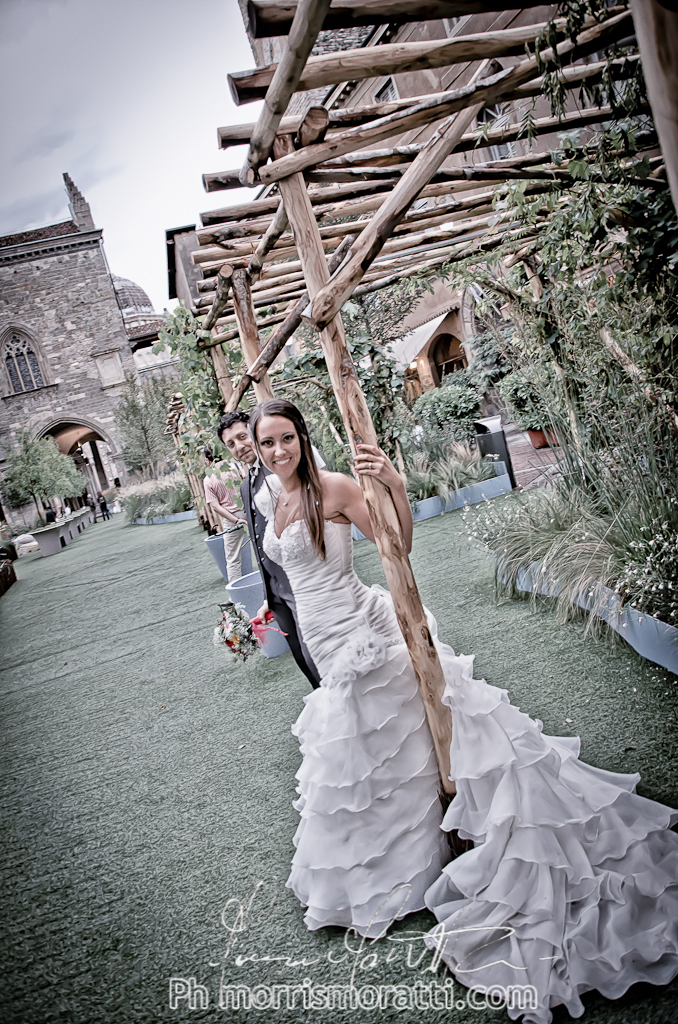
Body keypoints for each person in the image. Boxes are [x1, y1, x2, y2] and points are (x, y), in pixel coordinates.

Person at [248, 397, 678, 1024]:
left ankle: (457, 839)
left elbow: (396, 545)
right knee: (371, 752)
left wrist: (395, 484)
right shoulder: (270, 496)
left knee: (401, 732)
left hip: (361, 631)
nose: (278, 451)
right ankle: (401, 858)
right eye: (267, 443)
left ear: (302, 438)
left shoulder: (332, 487)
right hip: (325, 640)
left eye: (287, 438)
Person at [217, 409, 320, 689]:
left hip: (304, 582)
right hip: (276, 591)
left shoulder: (281, 469)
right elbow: (261, 543)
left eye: (242, 437)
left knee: (318, 654)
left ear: (255, 433)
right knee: (302, 658)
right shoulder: (245, 486)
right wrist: (268, 596)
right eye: (230, 444)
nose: (239, 447)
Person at [203, 446, 247, 584]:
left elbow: (215, 506)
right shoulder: (236, 467)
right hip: (249, 510)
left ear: (208, 460)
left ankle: (236, 593)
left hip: (231, 518)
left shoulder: (208, 478)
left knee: (233, 559)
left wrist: (236, 520)